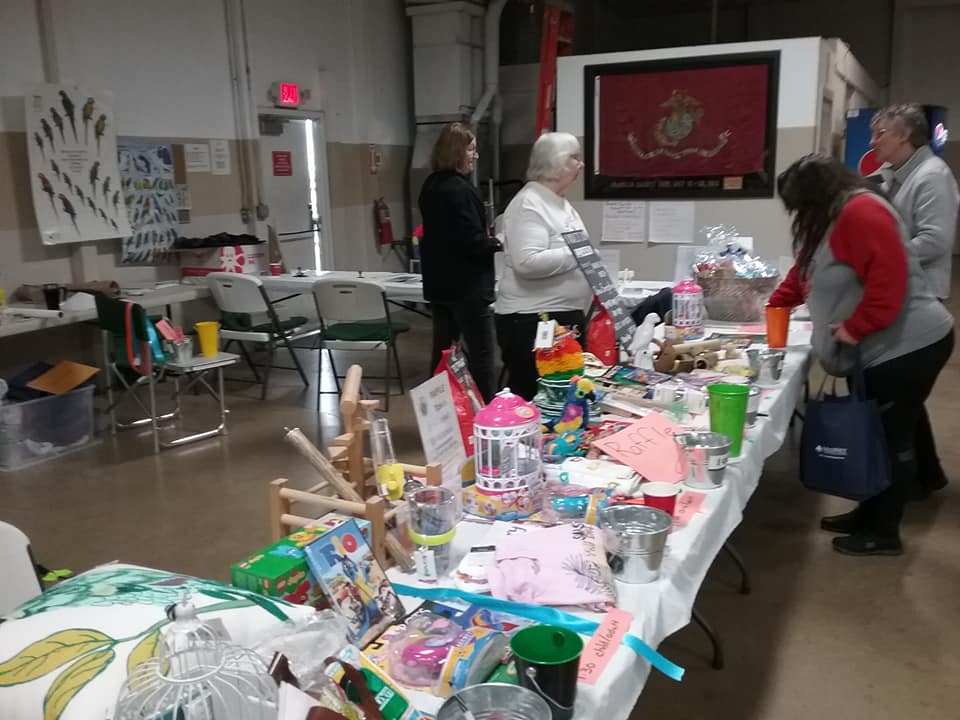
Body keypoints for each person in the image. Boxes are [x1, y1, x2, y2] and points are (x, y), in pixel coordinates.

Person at [769, 154, 953, 556]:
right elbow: (809, 269)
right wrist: (775, 303)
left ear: (815, 196)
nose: (798, 215)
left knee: (890, 440)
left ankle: (884, 531)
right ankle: (867, 511)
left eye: (800, 206)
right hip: (873, 351)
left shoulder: (862, 212)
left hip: (907, 347)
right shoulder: (833, 216)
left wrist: (853, 329)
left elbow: (890, 287)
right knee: (875, 433)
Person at [870, 104, 960, 499]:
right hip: (904, 291)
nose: (874, 142)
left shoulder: (932, 176)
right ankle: (929, 474)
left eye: (881, 134)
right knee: (909, 396)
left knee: (902, 393)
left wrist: (878, 253)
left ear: (905, 135)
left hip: (922, 299)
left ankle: (903, 487)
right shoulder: (897, 175)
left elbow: (937, 240)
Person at [495, 132, 592, 400]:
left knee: (564, 399)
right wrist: (579, 253)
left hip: (559, 318)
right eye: (574, 158)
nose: (580, 165)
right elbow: (527, 262)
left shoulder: (558, 202)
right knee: (539, 399)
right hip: (531, 320)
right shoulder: (530, 204)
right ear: (555, 162)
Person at [419, 122, 501, 402]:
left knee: (443, 350)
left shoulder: (430, 186)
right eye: (471, 149)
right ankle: (489, 414)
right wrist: (498, 241)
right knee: (482, 355)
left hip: (439, 287)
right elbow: (471, 242)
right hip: (467, 288)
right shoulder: (460, 190)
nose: (475, 156)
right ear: (457, 151)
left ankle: (437, 411)